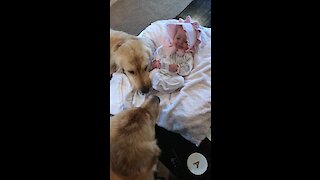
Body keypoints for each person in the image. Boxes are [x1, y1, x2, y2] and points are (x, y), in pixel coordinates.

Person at [150, 16, 201, 93]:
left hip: (172, 76)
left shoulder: (187, 56)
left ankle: (159, 86)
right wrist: (156, 61)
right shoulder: (168, 46)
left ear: (190, 44)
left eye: (185, 42)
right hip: (160, 71)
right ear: (174, 37)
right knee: (153, 74)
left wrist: (178, 68)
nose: (180, 42)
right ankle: (155, 83)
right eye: (178, 38)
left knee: (180, 81)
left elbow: (187, 69)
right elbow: (158, 52)